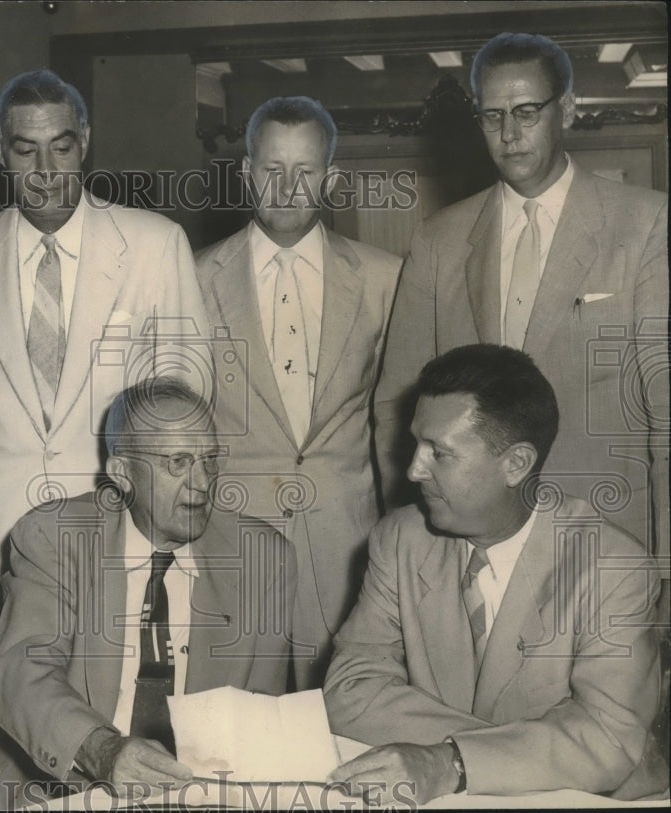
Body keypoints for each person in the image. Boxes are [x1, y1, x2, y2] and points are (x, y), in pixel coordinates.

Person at [374, 33, 669, 580]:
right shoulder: (439, 240)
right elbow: (397, 406)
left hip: (606, 541)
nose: (509, 134)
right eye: (492, 116)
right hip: (472, 548)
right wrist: (410, 560)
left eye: (527, 112)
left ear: (569, 109)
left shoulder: (648, 224)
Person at [0, 69, 210, 634]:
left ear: (84, 140)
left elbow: (186, 403)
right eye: (25, 151)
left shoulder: (155, 245)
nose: (46, 172)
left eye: (61, 148)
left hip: (115, 537)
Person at [326, 344, 663, 804]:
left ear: (516, 465)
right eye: (415, 443)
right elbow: (350, 691)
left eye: (439, 453)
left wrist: (452, 762)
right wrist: (507, 755)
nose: (412, 468)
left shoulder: (614, 568)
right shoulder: (399, 539)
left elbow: (606, 735)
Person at [0, 378, 296, 808]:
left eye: (209, 459)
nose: (203, 482)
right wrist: (106, 751)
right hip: (45, 784)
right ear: (122, 474)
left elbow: (258, 717)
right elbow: (21, 673)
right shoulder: (56, 536)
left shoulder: (263, 558)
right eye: (177, 462)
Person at [195, 96, 401, 688]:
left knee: (345, 714)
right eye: (271, 169)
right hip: (233, 539)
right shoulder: (190, 274)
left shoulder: (386, 278)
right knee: (236, 726)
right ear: (245, 173)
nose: (286, 188)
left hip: (348, 540)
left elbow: (392, 420)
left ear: (331, 178)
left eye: (305, 172)